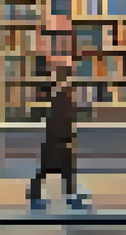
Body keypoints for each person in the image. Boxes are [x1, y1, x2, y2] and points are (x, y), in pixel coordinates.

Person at [27, 64, 87, 211]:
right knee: (55, 169)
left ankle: (40, 196)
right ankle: (65, 196)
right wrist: (67, 136)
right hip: (58, 139)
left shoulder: (58, 95)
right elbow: (62, 119)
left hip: (55, 139)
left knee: (59, 169)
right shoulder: (61, 96)